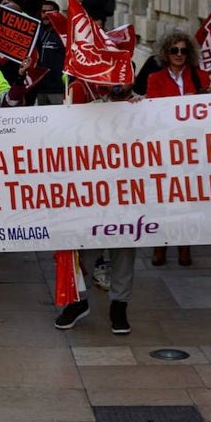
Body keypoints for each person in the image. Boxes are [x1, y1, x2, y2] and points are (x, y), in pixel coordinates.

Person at [53, 82, 142, 334]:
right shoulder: (92, 109)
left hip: (127, 196)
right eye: (113, 78)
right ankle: (78, 302)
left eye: (123, 78)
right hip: (92, 197)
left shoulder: (142, 108)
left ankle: (119, 306)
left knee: (124, 253)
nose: (118, 84)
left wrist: (143, 108)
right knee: (83, 253)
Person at [145, 30, 210, 267]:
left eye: (183, 50)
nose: (179, 55)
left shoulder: (201, 78)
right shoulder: (155, 79)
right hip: (165, 148)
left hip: (193, 147)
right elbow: (154, 111)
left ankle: (185, 245)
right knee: (163, 197)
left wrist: (210, 98)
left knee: (189, 197)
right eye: (174, 50)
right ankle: (160, 245)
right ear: (165, 53)